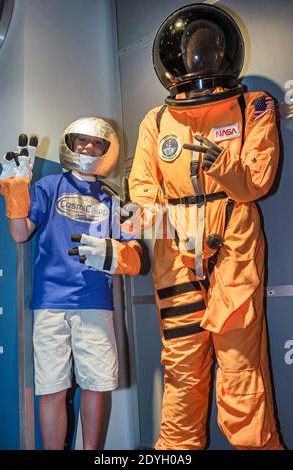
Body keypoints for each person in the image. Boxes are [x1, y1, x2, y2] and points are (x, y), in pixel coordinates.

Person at [128, 3, 283, 450]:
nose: (201, 59)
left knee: (240, 370)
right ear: (173, 57)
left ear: (224, 51)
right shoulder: (156, 121)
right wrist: (148, 229)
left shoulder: (252, 105)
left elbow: (257, 180)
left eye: (209, 49)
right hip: (175, 257)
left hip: (233, 248)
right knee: (181, 372)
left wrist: (226, 168)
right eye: (192, 50)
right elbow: (142, 189)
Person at [0, 117, 147, 450]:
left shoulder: (116, 201)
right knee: (52, 388)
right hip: (50, 302)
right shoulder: (48, 186)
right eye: (80, 140)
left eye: (96, 143)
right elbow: (20, 233)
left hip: (95, 302)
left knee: (96, 385)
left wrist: (113, 253)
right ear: (70, 144)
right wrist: (17, 191)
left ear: (108, 151)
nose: (87, 147)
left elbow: (137, 257)